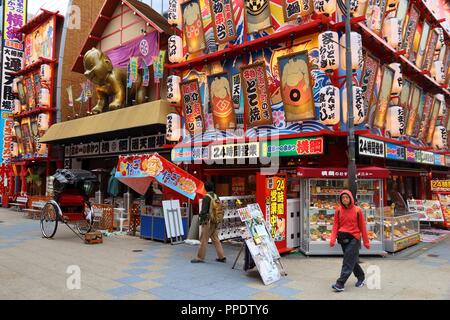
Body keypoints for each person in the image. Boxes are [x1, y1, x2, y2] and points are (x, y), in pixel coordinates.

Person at [330, 190, 370, 292]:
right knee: (351, 260)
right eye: (343, 198)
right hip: (343, 239)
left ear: (351, 198)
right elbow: (335, 225)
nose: (344, 199)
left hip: (354, 238)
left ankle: (340, 283)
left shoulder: (358, 210)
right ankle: (361, 277)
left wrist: (366, 241)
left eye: (346, 197)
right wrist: (332, 239)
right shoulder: (338, 210)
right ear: (340, 199)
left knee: (347, 260)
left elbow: (362, 226)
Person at [191, 181, 226, 263]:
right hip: (215, 220)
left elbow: (204, 211)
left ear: (205, 188)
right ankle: (221, 256)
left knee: (204, 239)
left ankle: (200, 257)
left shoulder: (206, 197)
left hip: (208, 221)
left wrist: (202, 221)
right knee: (215, 238)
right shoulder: (216, 196)